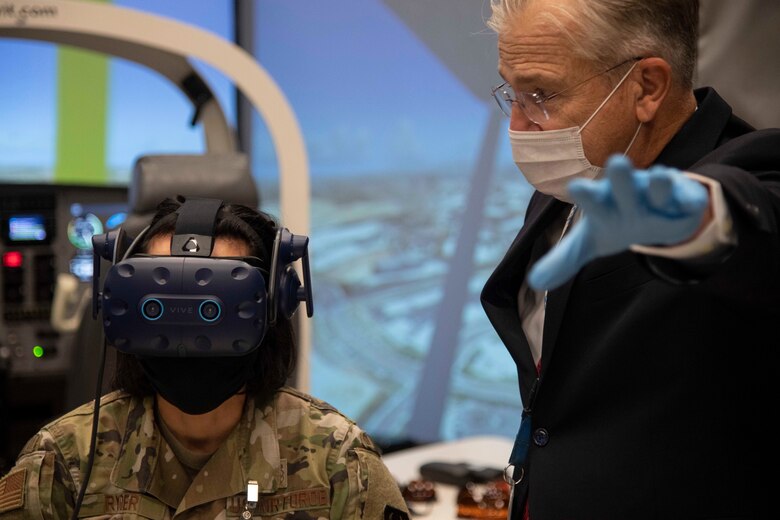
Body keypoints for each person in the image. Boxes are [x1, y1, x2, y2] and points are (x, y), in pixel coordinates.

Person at [480, 1, 777, 519]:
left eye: (542, 95)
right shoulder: (573, 184)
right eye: (513, 93)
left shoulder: (747, 167)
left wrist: (689, 222)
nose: (520, 126)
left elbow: (754, 229)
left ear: (647, 88)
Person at [0, 197, 409, 519]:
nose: (189, 337)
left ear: (272, 308)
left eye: (214, 309)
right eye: (161, 305)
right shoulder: (65, 464)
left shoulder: (337, 462)